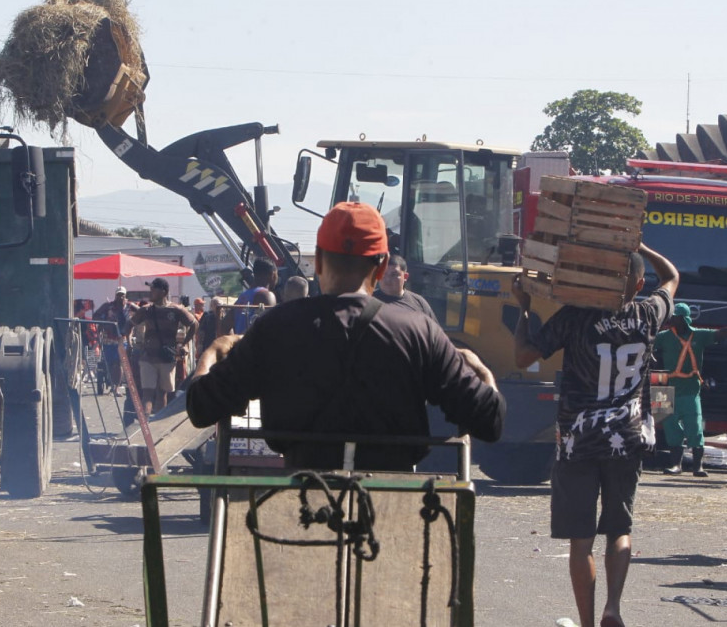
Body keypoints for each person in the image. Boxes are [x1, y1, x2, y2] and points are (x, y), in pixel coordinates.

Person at [187, 202, 505, 472]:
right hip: (394, 514)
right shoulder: (419, 330)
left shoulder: (275, 328)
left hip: (303, 510)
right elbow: (489, 421)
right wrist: (483, 371)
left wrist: (211, 354)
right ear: (381, 268)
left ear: (320, 262)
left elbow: (201, 407)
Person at [512, 244, 679, 627]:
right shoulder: (648, 313)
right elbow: (671, 276)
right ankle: (613, 608)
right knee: (620, 529)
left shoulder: (575, 317)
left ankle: (587, 622)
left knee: (581, 540)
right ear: (638, 284)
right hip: (627, 438)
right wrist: (641, 246)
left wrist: (524, 308)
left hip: (578, 440)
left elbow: (523, 356)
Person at [653, 303, 727, 477]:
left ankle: (697, 466)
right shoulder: (663, 336)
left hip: (690, 389)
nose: (672, 319)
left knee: (695, 427)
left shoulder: (698, 335)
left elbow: (720, 333)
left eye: (675, 316)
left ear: (683, 318)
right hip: (662, 387)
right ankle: (675, 464)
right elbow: (646, 343)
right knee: (668, 426)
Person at [127, 277, 197, 417]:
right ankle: (146, 424)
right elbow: (129, 324)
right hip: (148, 357)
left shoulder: (176, 309)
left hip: (167, 358)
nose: (151, 291)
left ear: (164, 292)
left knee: (162, 393)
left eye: (154, 289)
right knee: (147, 393)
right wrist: (126, 340)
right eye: (151, 289)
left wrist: (183, 344)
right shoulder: (146, 310)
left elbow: (194, 324)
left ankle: (156, 425)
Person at [94, 287, 139, 392]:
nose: (120, 297)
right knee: (110, 362)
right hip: (108, 338)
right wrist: (105, 323)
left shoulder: (129, 306)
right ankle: (111, 381)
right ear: (115, 295)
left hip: (122, 338)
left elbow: (142, 311)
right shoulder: (108, 306)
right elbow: (96, 315)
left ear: (125, 295)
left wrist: (134, 322)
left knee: (118, 362)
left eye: (122, 294)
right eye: (119, 294)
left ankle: (116, 387)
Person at [374, 254, 436, 319]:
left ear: (405, 276)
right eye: (384, 274)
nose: (388, 279)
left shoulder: (418, 303)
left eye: (394, 274)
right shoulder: (369, 302)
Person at [234, 257, 279, 332]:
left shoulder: (242, 297)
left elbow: (224, 326)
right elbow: (272, 328)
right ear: (272, 274)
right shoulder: (267, 296)